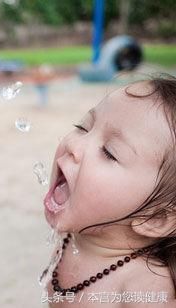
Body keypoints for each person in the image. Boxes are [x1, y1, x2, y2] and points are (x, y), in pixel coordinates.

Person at [43, 74, 176, 307]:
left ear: (155, 218)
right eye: (83, 127)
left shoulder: (144, 289)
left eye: (109, 152)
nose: (74, 145)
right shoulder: (69, 239)